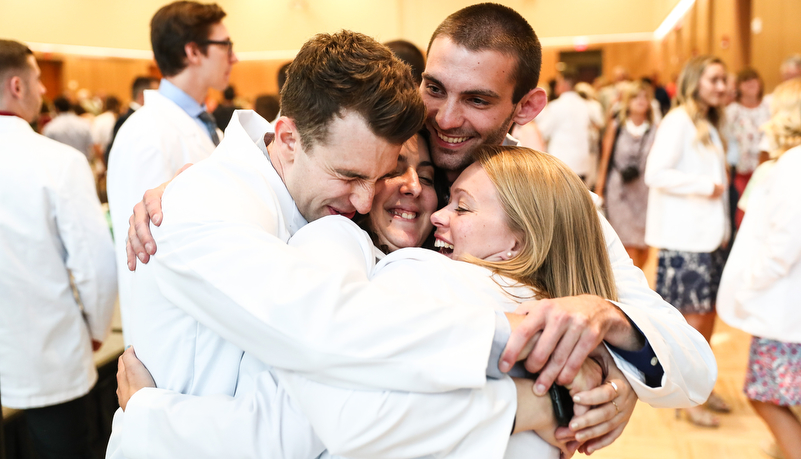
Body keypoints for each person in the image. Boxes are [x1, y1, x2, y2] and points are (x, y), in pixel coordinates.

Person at [124, 3, 718, 452]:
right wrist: (203, 178)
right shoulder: (359, 188)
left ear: (528, 107)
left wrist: (608, 343)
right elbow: (314, 341)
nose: (446, 118)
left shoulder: (549, 200)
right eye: (434, 89)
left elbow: (689, 359)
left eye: (478, 100)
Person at [0, 39, 117, 459]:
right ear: (17, 85)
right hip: (49, 350)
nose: (42, 91)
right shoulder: (56, 160)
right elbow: (97, 266)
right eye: (36, 81)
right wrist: (95, 330)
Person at [107, 0, 237, 345]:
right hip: (171, 337)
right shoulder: (146, 133)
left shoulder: (206, 126)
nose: (234, 57)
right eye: (226, 46)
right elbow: (145, 252)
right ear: (193, 51)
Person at [717, 77, 801, 459]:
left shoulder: (792, 166)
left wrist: (750, 284)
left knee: (763, 395)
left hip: (786, 308)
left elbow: (784, 243)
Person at [644, 55, 730, 427]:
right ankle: (687, 398)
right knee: (690, 324)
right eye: (715, 79)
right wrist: (703, 187)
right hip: (686, 239)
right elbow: (655, 173)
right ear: (696, 81)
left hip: (709, 237)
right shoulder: (677, 121)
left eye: (724, 80)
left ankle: (702, 388)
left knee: (707, 318)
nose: (722, 86)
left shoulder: (708, 124)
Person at [596, 81, 657, 269]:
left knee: (644, 246)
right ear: (627, 102)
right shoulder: (617, 126)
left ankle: (639, 281)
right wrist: (599, 191)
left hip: (645, 193)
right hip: (619, 191)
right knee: (627, 246)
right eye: (635, 97)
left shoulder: (656, 129)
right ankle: (634, 287)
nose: (640, 101)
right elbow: (605, 159)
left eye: (644, 97)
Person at [725, 68, 770, 229]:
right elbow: (726, 140)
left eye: (754, 79)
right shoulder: (732, 111)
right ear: (738, 86)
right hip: (743, 169)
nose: (751, 84)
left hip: (768, 167)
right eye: (746, 81)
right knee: (744, 208)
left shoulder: (770, 106)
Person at [533, 71, 594, 182]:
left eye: (558, 83)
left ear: (565, 85)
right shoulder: (585, 104)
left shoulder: (556, 106)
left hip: (562, 160)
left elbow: (543, 131)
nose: (556, 86)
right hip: (582, 161)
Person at [104, 76, 159, 166]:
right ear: (142, 96)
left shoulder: (146, 117)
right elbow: (112, 154)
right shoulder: (126, 119)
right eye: (156, 93)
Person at [43, 95, 94, 161]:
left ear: (56, 109)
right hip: (83, 161)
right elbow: (91, 145)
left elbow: (47, 149)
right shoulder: (84, 124)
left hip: (60, 163)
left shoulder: (50, 127)